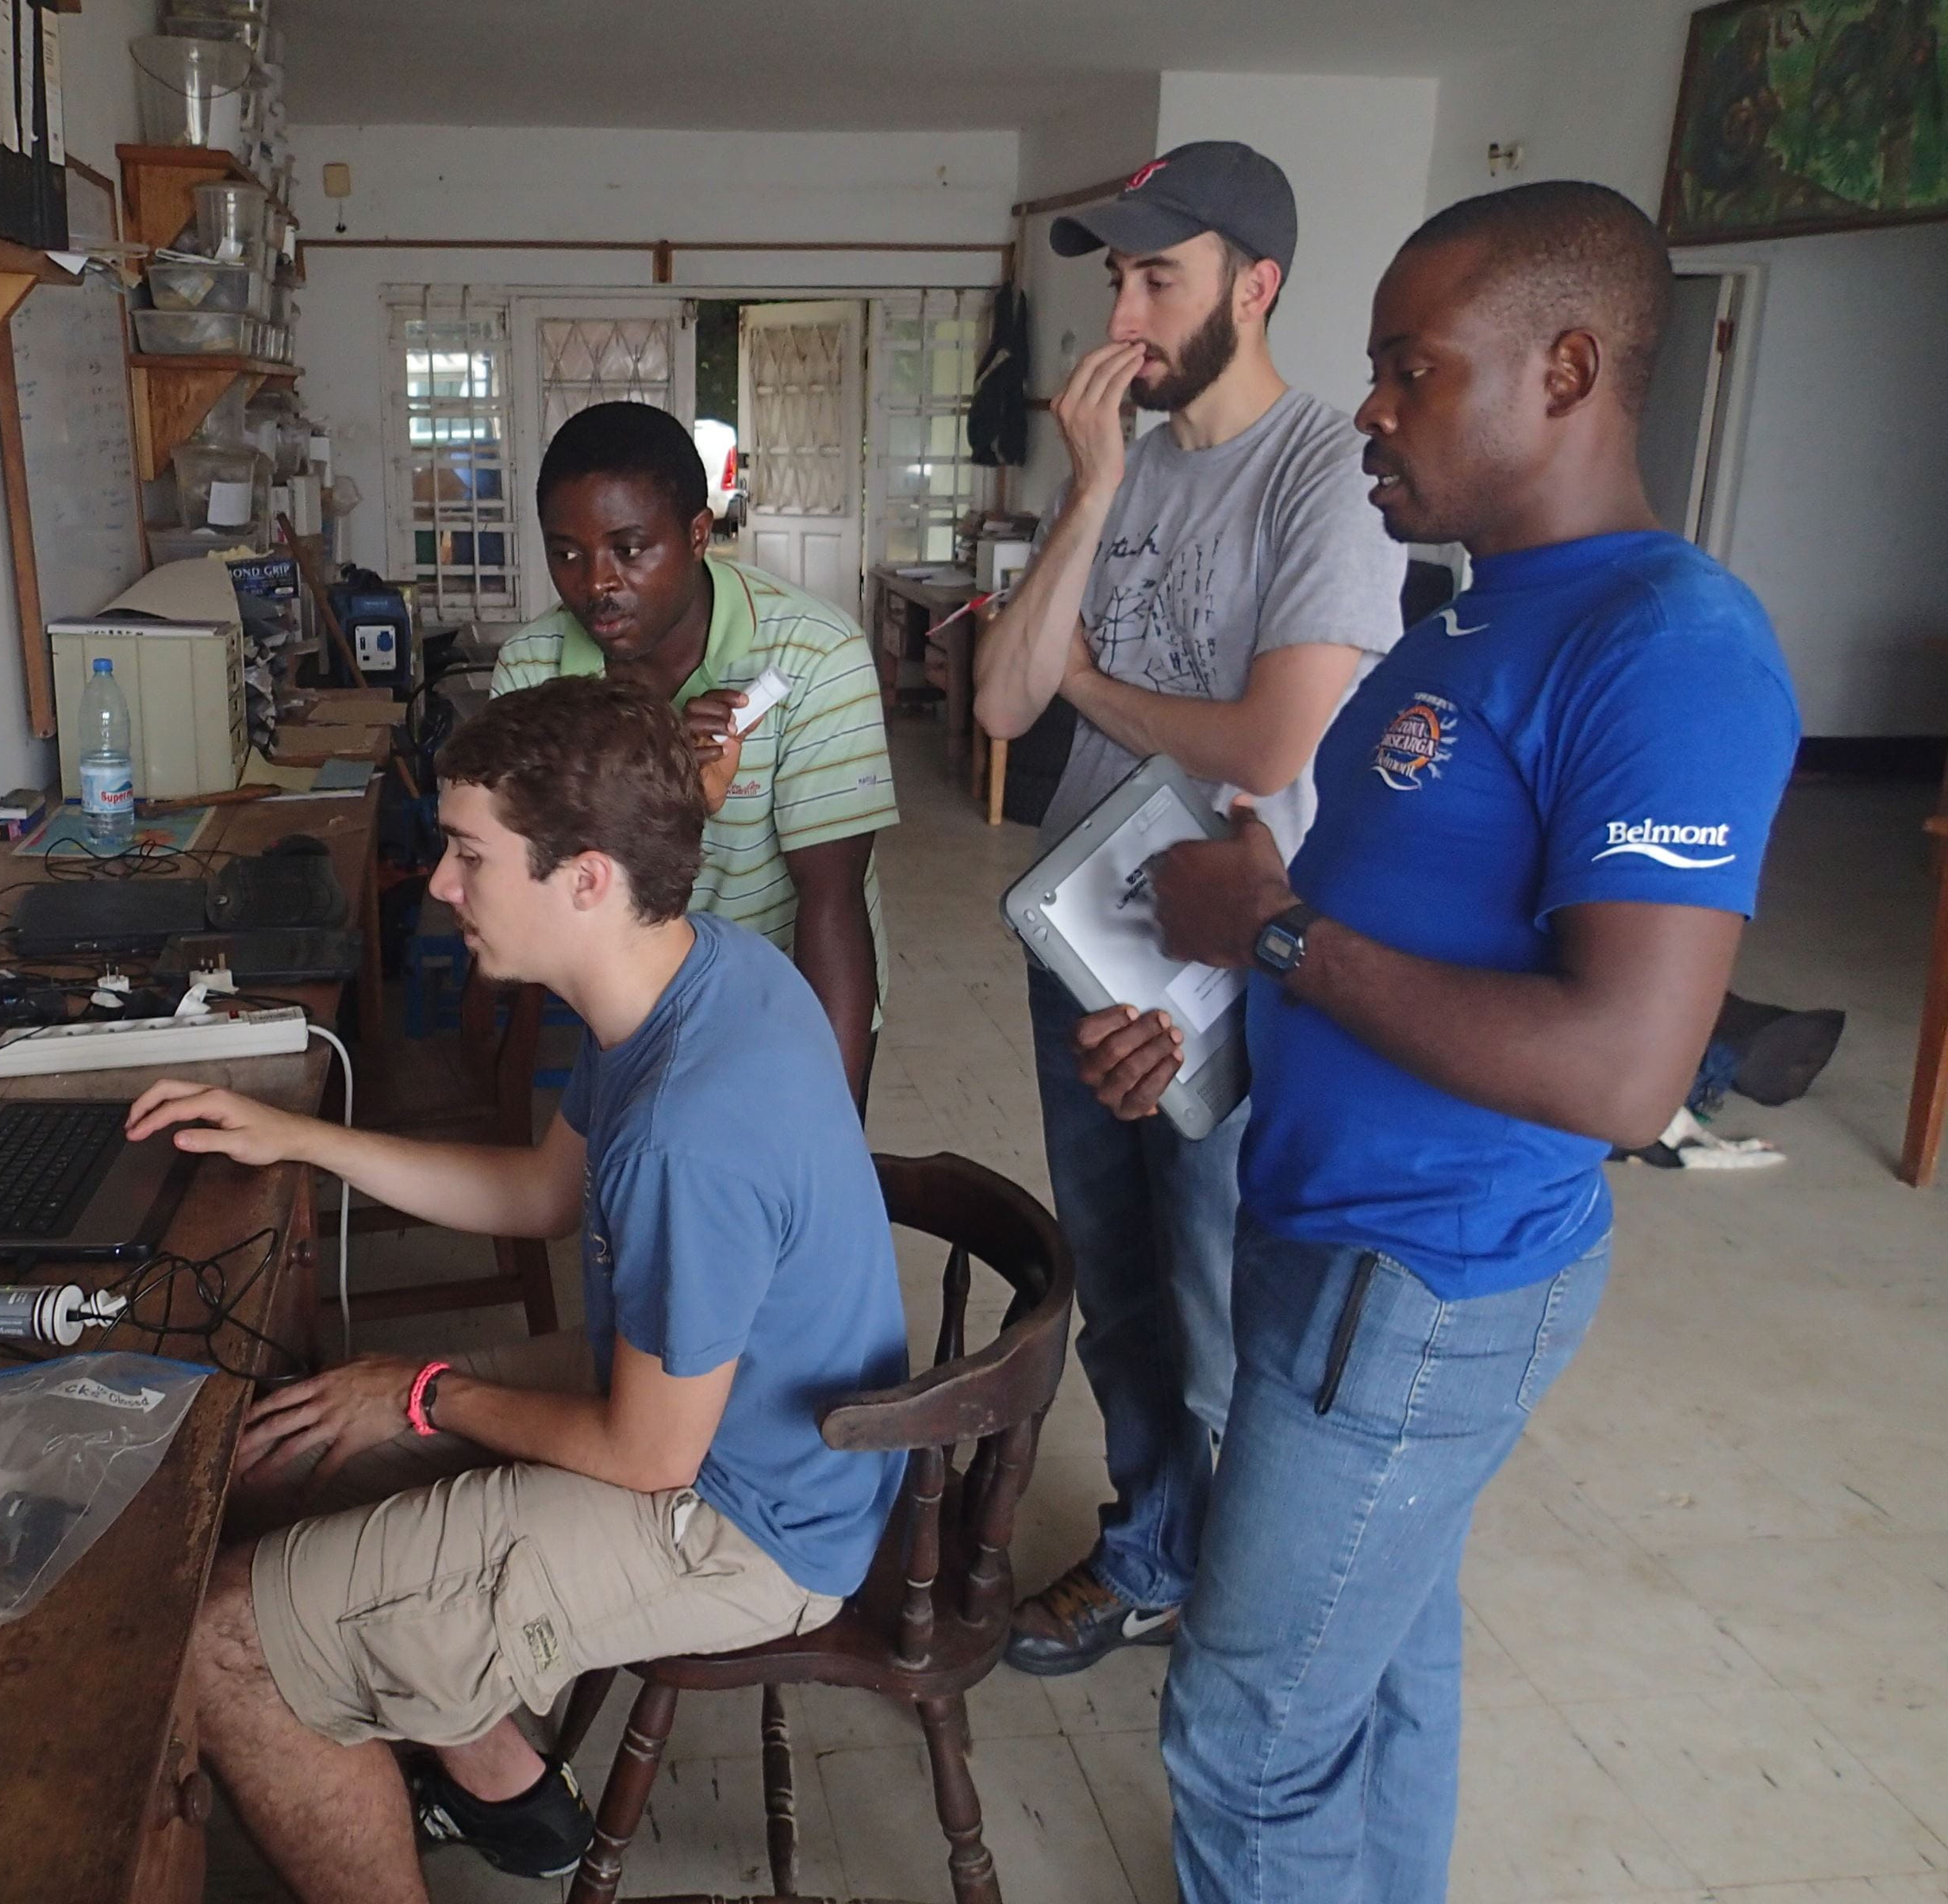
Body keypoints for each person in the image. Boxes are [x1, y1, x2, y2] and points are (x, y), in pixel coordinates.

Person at [1077, 182, 1799, 1898]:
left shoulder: (1668, 647)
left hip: (1425, 1272)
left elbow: (1624, 1074)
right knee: (1386, 1660)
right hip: (1318, 1224)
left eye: (1413, 369)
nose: (1372, 410)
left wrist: (1270, 933)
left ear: (1566, 371)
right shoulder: (1459, 625)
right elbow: (1373, 940)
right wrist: (1209, 1023)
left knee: (1246, 1732)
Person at [128, 675, 909, 1901]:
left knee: (231, 1642)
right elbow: (544, 1193)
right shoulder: (698, 967)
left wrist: (422, 1392)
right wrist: (301, 1139)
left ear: (587, 878)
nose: (440, 886)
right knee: (284, 1463)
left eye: (469, 855)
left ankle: (407, 1707)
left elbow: (648, 1456)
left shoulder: (687, 1131)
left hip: (745, 1519)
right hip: (711, 1415)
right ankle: (503, 1781)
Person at [971, 141, 1408, 1677]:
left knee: (1217, 1288)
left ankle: (1243, 1595)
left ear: (1256, 285)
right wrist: (1092, 490)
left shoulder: (1322, 475)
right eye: (1118, 277)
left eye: (1160, 277)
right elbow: (1001, 699)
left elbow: (1270, 745)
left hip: (1222, 956)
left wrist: (1094, 685)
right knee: (1116, 1279)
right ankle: (1155, 1547)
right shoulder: (1127, 465)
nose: (1124, 314)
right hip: (1081, 937)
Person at [491, 400, 897, 1106]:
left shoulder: (815, 655)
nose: (597, 584)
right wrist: (659, 768)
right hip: (619, 1009)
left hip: (786, 1005)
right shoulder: (533, 668)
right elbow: (530, 879)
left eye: (629, 549)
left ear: (698, 534)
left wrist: (826, 1115)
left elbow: (831, 901)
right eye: (567, 554)